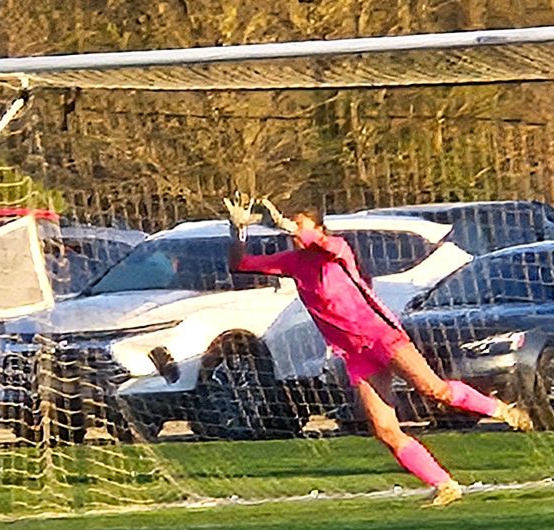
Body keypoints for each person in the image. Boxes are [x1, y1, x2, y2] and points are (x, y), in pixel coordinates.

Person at [226, 193, 533, 507]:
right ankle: (445, 484)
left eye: (300, 227)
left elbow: (325, 245)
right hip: (355, 355)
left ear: (319, 229)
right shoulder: (292, 262)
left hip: (383, 337)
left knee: (434, 389)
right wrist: (237, 231)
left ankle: (502, 410)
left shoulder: (337, 250)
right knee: (385, 429)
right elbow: (239, 264)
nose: (293, 235)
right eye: (291, 229)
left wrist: (287, 225)